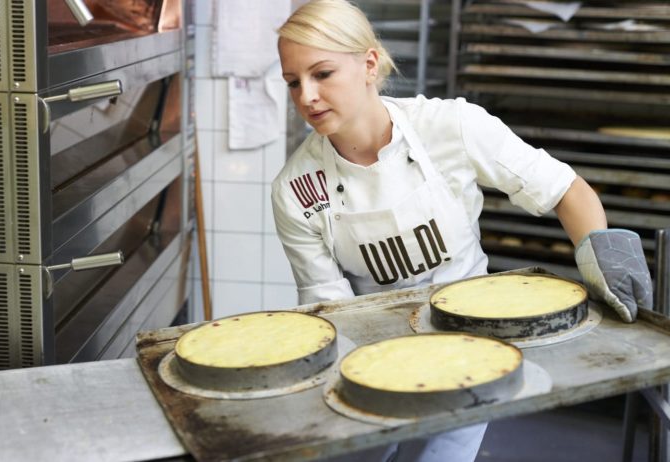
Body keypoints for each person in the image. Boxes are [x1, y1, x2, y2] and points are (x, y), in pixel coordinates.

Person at [271, 1, 654, 461]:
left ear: (369, 64)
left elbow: (565, 190)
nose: (306, 96)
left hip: (472, 346)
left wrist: (600, 252)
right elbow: (332, 311)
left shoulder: (450, 126)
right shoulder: (296, 188)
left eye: (323, 74)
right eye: (293, 82)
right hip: (374, 356)